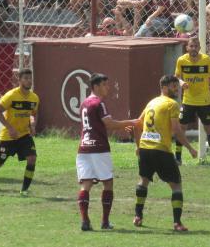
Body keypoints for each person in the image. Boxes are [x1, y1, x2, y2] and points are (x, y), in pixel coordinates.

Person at [130, 75, 197, 231]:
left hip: (146, 149)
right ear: (164, 87)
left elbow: (136, 125)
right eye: (174, 86)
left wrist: (138, 146)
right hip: (161, 150)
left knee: (143, 181)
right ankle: (177, 223)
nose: (176, 89)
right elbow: (176, 130)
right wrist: (190, 148)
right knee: (176, 185)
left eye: (177, 86)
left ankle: (138, 216)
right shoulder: (172, 104)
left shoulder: (151, 102)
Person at [76, 73, 136, 231]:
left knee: (86, 184)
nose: (107, 87)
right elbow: (109, 124)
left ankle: (85, 221)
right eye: (104, 85)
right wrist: (132, 122)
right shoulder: (98, 103)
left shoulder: (84, 104)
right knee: (108, 183)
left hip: (83, 148)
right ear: (95, 86)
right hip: (99, 148)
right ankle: (105, 222)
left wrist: (123, 125)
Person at [0, 68, 39, 196]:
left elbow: (34, 114)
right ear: (19, 80)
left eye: (30, 78)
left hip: (24, 135)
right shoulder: (11, 95)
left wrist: (33, 125)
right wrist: (10, 127)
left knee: (32, 158)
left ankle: (24, 190)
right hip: (8, 136)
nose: (28, 81)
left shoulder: (34, 98)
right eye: (25, 78)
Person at [174, 37, 210, 167]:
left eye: (196, 46)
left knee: (209, 129)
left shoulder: (206, 60)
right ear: (187, 47)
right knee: (181, 128)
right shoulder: (182, 60)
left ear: (199, 48)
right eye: (191, 46)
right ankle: (178, 158)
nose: (193, 49)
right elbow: (176, 77)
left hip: (204, 101)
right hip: (188, 101)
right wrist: (181, 82)